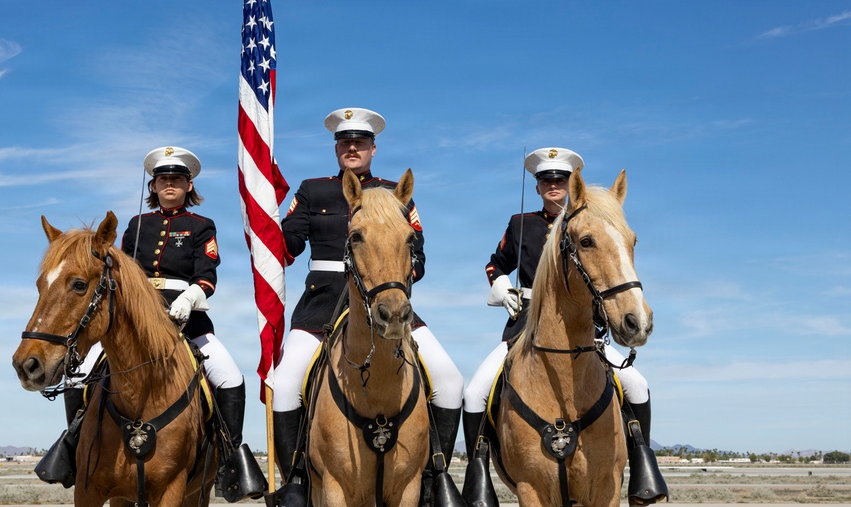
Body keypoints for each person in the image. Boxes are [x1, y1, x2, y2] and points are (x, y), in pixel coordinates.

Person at [272, 108, 465, 491]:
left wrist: (394, 281)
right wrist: (262, 222)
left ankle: (435, 478)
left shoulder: (396, 192)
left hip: (383, 300)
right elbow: (288, 246)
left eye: (360, 142)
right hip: (321, 306)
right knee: (285, 385)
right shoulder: (313, 190)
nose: (352, 148)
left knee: (450, 378)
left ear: (373, 148)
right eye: (345, 142)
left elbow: (418, 257)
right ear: (336, 148)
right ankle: (296, 480)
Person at [461, 147, 666, 505]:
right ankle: (477, 476)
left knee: (637, 384)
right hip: (525, 326)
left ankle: (642, 464)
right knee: (475, 392)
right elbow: (495, 264)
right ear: (538, 186)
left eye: (560, 180)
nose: (553, 185)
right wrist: (500, 287)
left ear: (572, 185)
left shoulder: (590, 223)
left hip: (586, 331)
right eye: (545, 180)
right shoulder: (521, 224)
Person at [118, 146, 265, 501]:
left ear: (188, 185)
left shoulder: (201, 226)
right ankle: (73, 448)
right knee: (84, 373)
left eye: (177, 179)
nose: (169, 184)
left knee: (231, 379)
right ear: (153, 187)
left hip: (188, 322)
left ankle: (229, 461)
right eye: (163, 179)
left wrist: (189, 297)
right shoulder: (137, 226)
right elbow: (120, 273)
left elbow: (208, 277)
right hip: (135, 323)